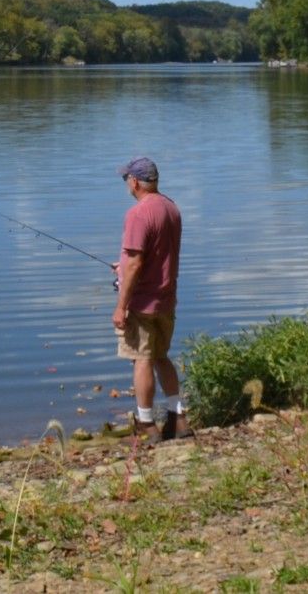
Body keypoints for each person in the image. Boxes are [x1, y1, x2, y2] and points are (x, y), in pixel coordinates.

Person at [112, 156, 183, 441]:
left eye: (126, 179)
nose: (127, 184)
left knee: (141, 359)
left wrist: (121, 307)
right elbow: (153, 255)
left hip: (142, 302)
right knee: (161, 358)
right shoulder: (171, 208)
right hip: (166, 299)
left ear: (135, 181)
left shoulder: (137, 214)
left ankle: (146, 423)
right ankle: (179, 419)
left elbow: (135, 264)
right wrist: (123, 264)